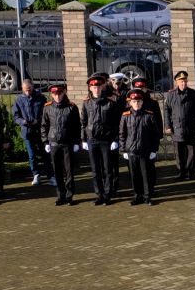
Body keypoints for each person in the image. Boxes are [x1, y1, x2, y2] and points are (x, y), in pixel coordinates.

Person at [81, 74, 123, 206]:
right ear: (90, 88)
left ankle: (107, 194)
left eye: (98, 86)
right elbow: (83, 122)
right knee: (95, 171)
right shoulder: (86, 103)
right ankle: (99, 195)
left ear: (102, 87)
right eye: (94, 87)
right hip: (92, 140)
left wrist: (115, 139)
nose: (96, 89)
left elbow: (117, 123)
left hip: (106, 140)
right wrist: (83, 139)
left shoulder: (111, 103)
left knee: (107, 170)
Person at [120, 85, 163, 205]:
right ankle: (137, 196)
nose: (137, 104)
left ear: (142, 102)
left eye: (139, 101)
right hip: (131, 151)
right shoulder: (125, 116)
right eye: (134, 101)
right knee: (134, 175)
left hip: (145, 150)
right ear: (130, 102)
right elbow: (122, 134)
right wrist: (123, 150)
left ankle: (147, 196)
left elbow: (155, 134)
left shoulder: (149, 115)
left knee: (146, 175)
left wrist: (154, 150)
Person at [41, 83, 82, 206]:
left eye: (59, 93)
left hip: (67, 143)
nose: (57, 96)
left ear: (64, 93)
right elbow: (44, 125)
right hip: (54, 144)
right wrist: (45, 141)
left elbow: (77, 126)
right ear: (51, 94)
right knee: (57, 171)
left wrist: (76, 142)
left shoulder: (71, 107)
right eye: (54, 94)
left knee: (69, 172)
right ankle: (60, 195)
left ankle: (69, 196)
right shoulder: (47, 107)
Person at [163, 71, 195, 180]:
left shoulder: (193, 94)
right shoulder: (171, 95)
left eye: (185, 81)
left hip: (190, 127)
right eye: (181, 81)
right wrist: (168, 126)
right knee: (179, 152)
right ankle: (181, 172)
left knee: (191, 151)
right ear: (177, 82)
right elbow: (166, 111)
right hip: (176, 128)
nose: (183, 83)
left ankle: (190, 172)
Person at [13, 77, 48, 187]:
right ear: (22, 88)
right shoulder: (19, 100)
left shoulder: (41, 98)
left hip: (39, 130)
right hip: (27, 131)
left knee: (45, 153)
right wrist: (23, 121)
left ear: (32, 87)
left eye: (29, 89)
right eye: (25, 90)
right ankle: (36, 174)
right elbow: (15, 116)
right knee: (32, 155)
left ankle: (50, 175)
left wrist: (38, 120)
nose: (28, 92)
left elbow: (46, 112)